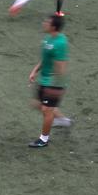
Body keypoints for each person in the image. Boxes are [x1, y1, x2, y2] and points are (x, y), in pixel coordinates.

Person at [28, 13, 72, 148]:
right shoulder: (48, 38)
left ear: (53, 27)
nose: (44, 23)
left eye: (47, 22)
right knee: (37, 105)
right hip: (44, 80)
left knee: (47, 111)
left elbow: (61, 66)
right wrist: (35, 70)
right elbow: (45, 59)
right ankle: (63, 120)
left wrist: (57, 86)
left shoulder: (60, 43)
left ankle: (43, 139)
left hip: (53, 83)